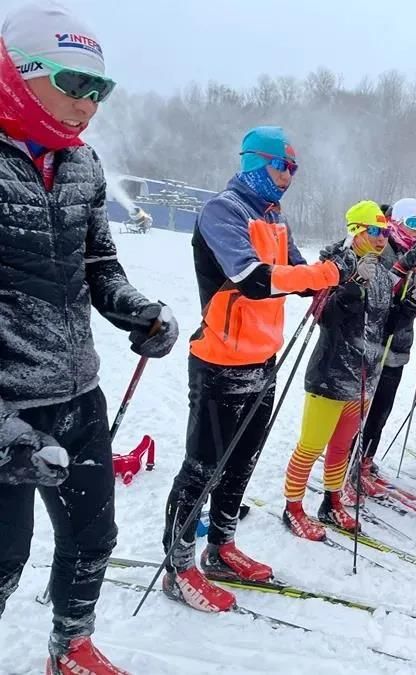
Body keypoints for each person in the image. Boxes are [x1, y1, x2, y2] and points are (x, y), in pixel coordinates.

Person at [0, 5, 179, 673]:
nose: (88, 105)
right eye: (75, 84)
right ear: (20, 73)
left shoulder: (82, 165)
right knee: (3, 557)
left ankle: (70, 647)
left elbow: (99, 264)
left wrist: (139, 313)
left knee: (92, 536)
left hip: (77, 393)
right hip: (6, 406)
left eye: (100, 90)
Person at [161, 126, 349, 613]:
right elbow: (254, 280)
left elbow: (302, 275)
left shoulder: (273, 216)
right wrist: (322, 275)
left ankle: (220, 547)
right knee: (202, 468)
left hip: (262, 357)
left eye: (294, 168)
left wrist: (334, 268)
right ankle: (178, 568)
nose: (289, 175)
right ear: (253, 161)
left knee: (241, 462)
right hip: (220, 360)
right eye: (281, 165)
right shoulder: (223, 210)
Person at [282, 200, 416, 539]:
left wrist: (406, 307)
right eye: (374, 231)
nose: (380, 238)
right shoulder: (336, 264)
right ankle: (293, 508)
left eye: (384, 232)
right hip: (330, 373)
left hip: (365, 375)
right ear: (356, 231)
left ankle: (331, 503)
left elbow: (382, 325)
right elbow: (322, 314)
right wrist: (352, 284)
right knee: (311, 445)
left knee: (342, 446)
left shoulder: (378, 273)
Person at [351, 197, 416, 496]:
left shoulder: (415, 255)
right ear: (396, 221)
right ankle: (348, 463)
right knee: (362, 408)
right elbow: (374, 294)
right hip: (374, 342)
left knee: (382, 409)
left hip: (398, 343)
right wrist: (400, 269)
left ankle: (366, 460)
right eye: (414, 224)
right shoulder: (380, 249)